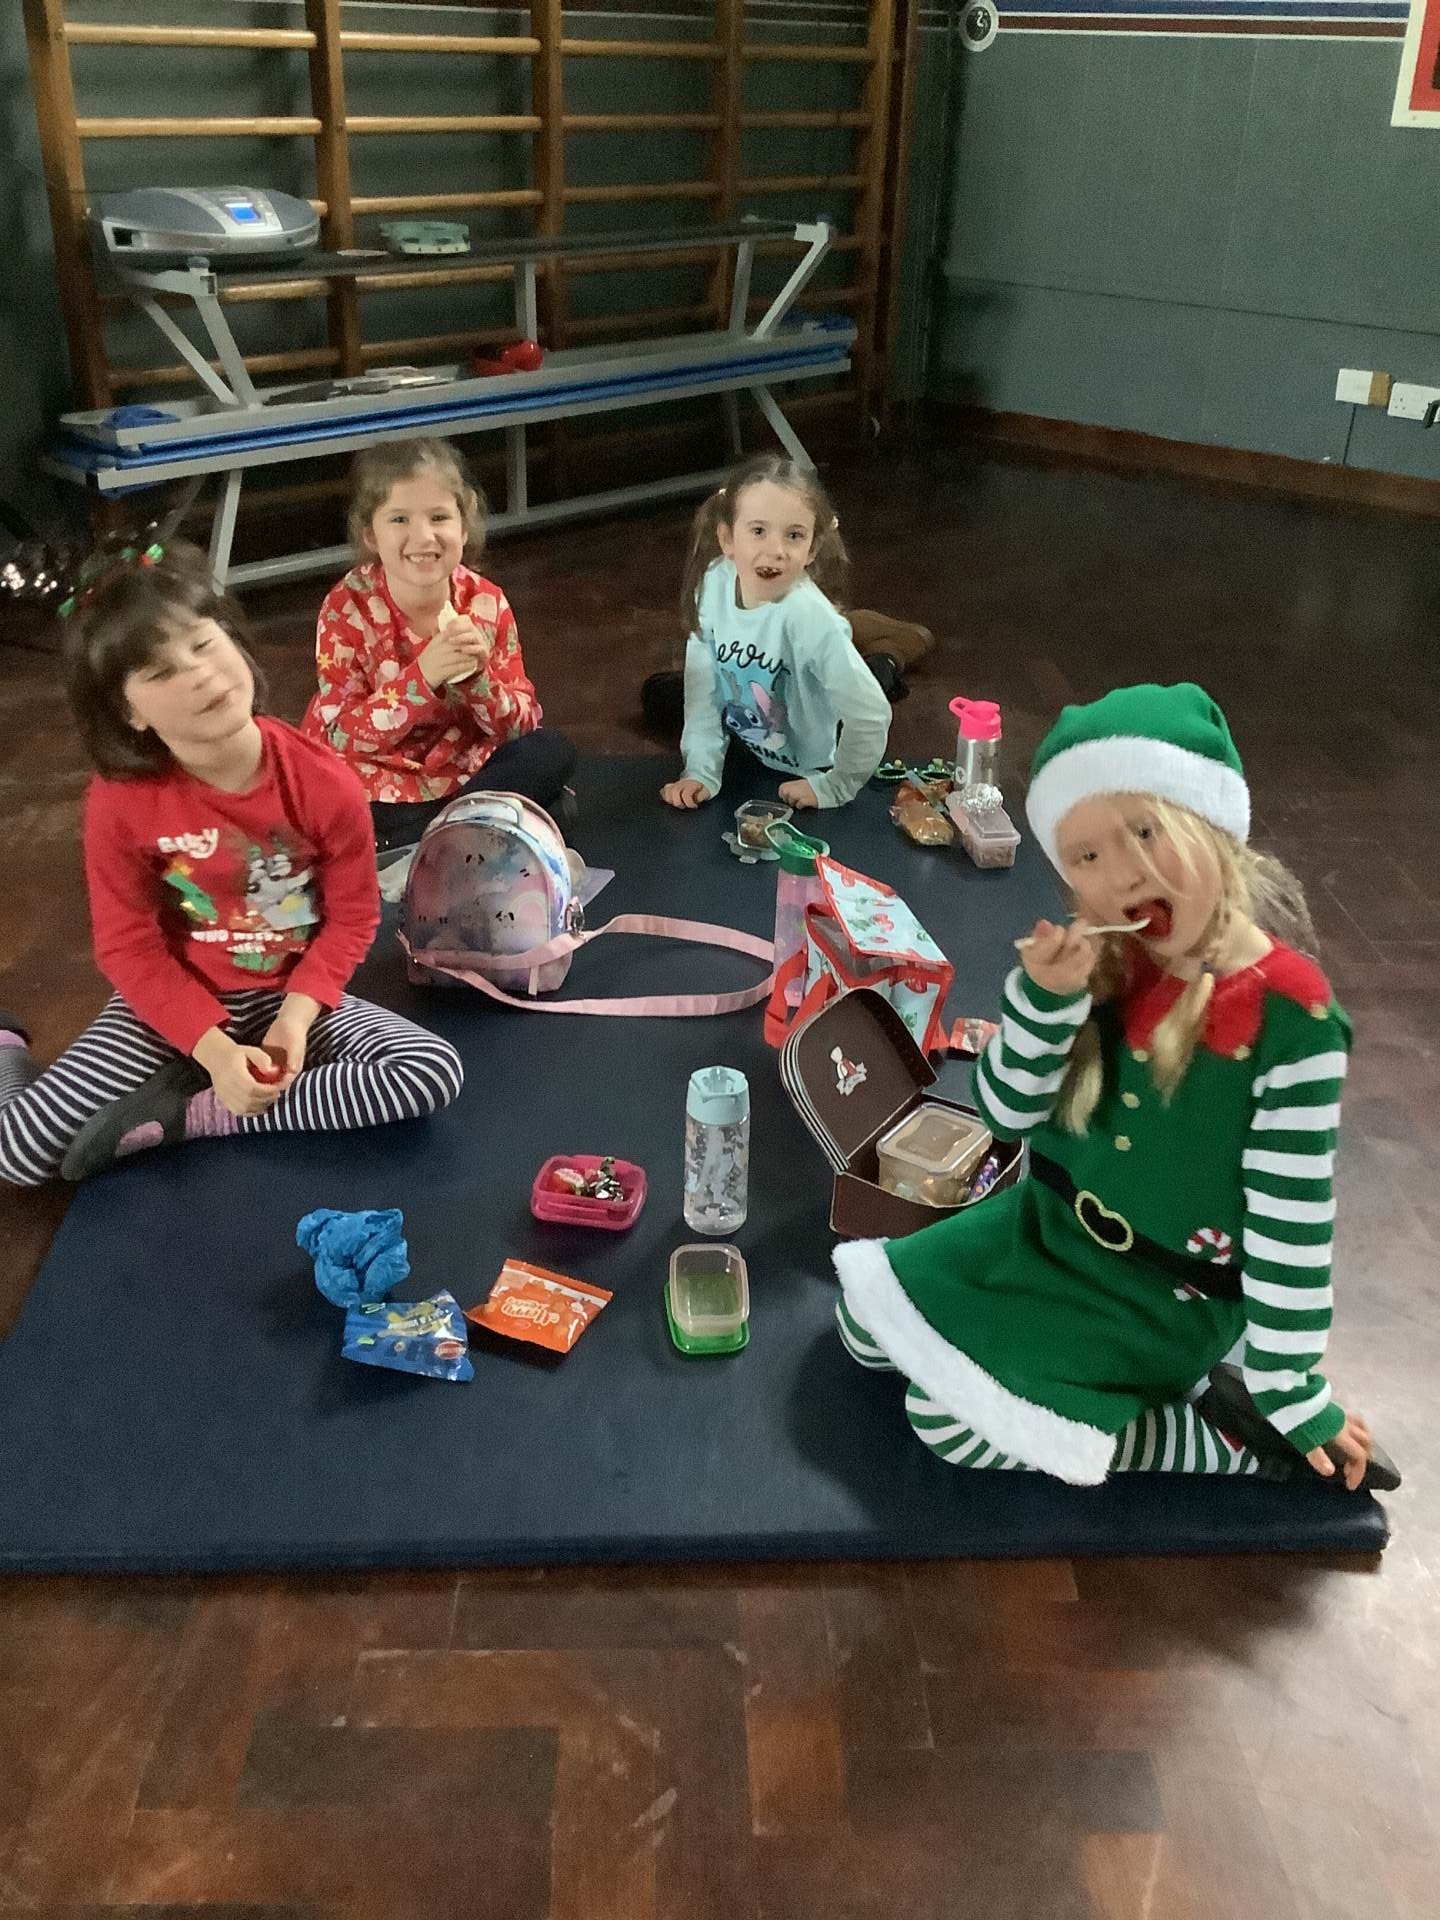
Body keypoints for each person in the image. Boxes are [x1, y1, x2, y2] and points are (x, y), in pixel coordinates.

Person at [833, 682, 1399, 1493]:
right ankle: (1093, 1390)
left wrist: (1290, 1391)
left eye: (1144, 831)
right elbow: (1005, 1113)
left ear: (1210, 823)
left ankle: (1214, 1442)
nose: (1124, 874)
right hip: (1044, 1234)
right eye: (1087, 857)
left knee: (943, 1422)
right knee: (861, 1325)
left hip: (1162, 1299)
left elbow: (1293, 1229)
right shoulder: (1100, 961)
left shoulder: (1293, 1020)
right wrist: (1043, 1003)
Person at [0, 538, 463, 1187]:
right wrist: (212, 1050)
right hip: (172, 1007)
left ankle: (192, 1115)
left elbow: (354, 917)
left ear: (235, 643)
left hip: (289, 1001)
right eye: (160, 672)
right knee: (17, 1153)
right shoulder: (119, 801)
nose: (199, 674)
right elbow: (129, 948)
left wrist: (295, 1020)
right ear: (129, 712)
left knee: (428, 1072)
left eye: (202, 643)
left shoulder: (323, 782)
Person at [302, 438, 575, 855]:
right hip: (376, 779)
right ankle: (472, 832)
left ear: (463, 527)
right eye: (399, 519)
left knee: (552, 751)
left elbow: (521, 726)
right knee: (326, 795)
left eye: (439, 517)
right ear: (371, 534)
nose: (423, 537)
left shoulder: (485, 602)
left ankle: (441, 836)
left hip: (461, 772)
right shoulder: (347, 606)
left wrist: (478, 680)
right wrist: (422, 678)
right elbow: (344, 737)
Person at [659, 454, 891, 814]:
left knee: (875, 677)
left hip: (806, 751)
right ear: (727, 538)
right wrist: (701, 771)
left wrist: (834, 786)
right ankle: (867, 629)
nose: (776, 551)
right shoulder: (714, 583)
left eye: (794, 535)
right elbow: (702, 693)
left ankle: (890, 651)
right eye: (758, 531)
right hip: (752, 730)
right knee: (660, 694)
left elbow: (871, 715)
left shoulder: (812, 621)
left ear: (812, 548)